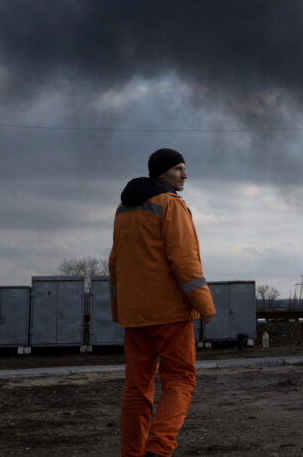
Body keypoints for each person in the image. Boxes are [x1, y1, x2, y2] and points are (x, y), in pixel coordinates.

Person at [109, 148, 216, 457]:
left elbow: (114, 263)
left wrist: (120, 312)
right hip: (170, 315)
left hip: (135, 317)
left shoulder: (123, 210)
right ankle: (159, 448)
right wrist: (205, 306)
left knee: (136, 388)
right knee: (180, 381)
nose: (184, 175)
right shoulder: (171, 205)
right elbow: (185, 262)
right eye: (179, 169)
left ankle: (132, 453)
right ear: (162, 173)